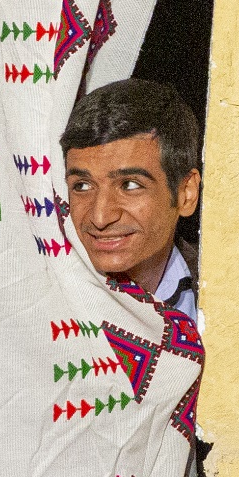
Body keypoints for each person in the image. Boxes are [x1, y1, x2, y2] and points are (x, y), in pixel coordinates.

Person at [59, 77, 203, 320]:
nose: (100, 217)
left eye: (129, 185)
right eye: (82, 186)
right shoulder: (38, 302)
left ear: (186, 194)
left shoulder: (232, 297)